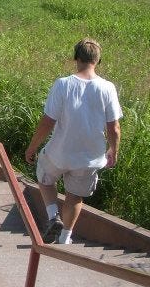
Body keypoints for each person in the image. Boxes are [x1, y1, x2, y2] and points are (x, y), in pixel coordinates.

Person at [25, 38, 122, 245]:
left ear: (76, 58)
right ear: (98, 60)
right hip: (89, 157)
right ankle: (65, 239)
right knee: (75, 197)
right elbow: (114, 127)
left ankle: (53, 217)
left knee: (45, 176)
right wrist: (113, 150)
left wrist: (32, 147)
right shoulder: (108, 88)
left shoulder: (63, 84)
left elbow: (47, 122)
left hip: (59, 153)